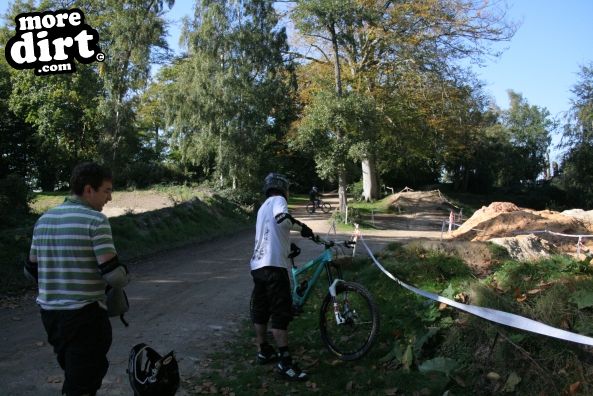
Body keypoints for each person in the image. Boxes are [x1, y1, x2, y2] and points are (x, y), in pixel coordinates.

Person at [24, 162, 129, 396]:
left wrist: (59, 277)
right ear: (89, 189)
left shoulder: (44, 220)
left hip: (51, 317)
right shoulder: (95, 221)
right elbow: (114, 275)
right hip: (85, 317)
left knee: (76, 374)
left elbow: (30, 271)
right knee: (83, 383)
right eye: (107, 190)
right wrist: (124, 275)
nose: (110, 198)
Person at [250, 172, 315, 381]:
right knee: (281, 312)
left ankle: (263, 349)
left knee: (261, 309)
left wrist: (288, 247)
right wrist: (302, 228)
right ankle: (285, 363)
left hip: (258, 265)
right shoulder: (278, 201)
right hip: (274, 267)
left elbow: (270, 234)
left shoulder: (262, 208)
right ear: (283, 189)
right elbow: (282, 219)